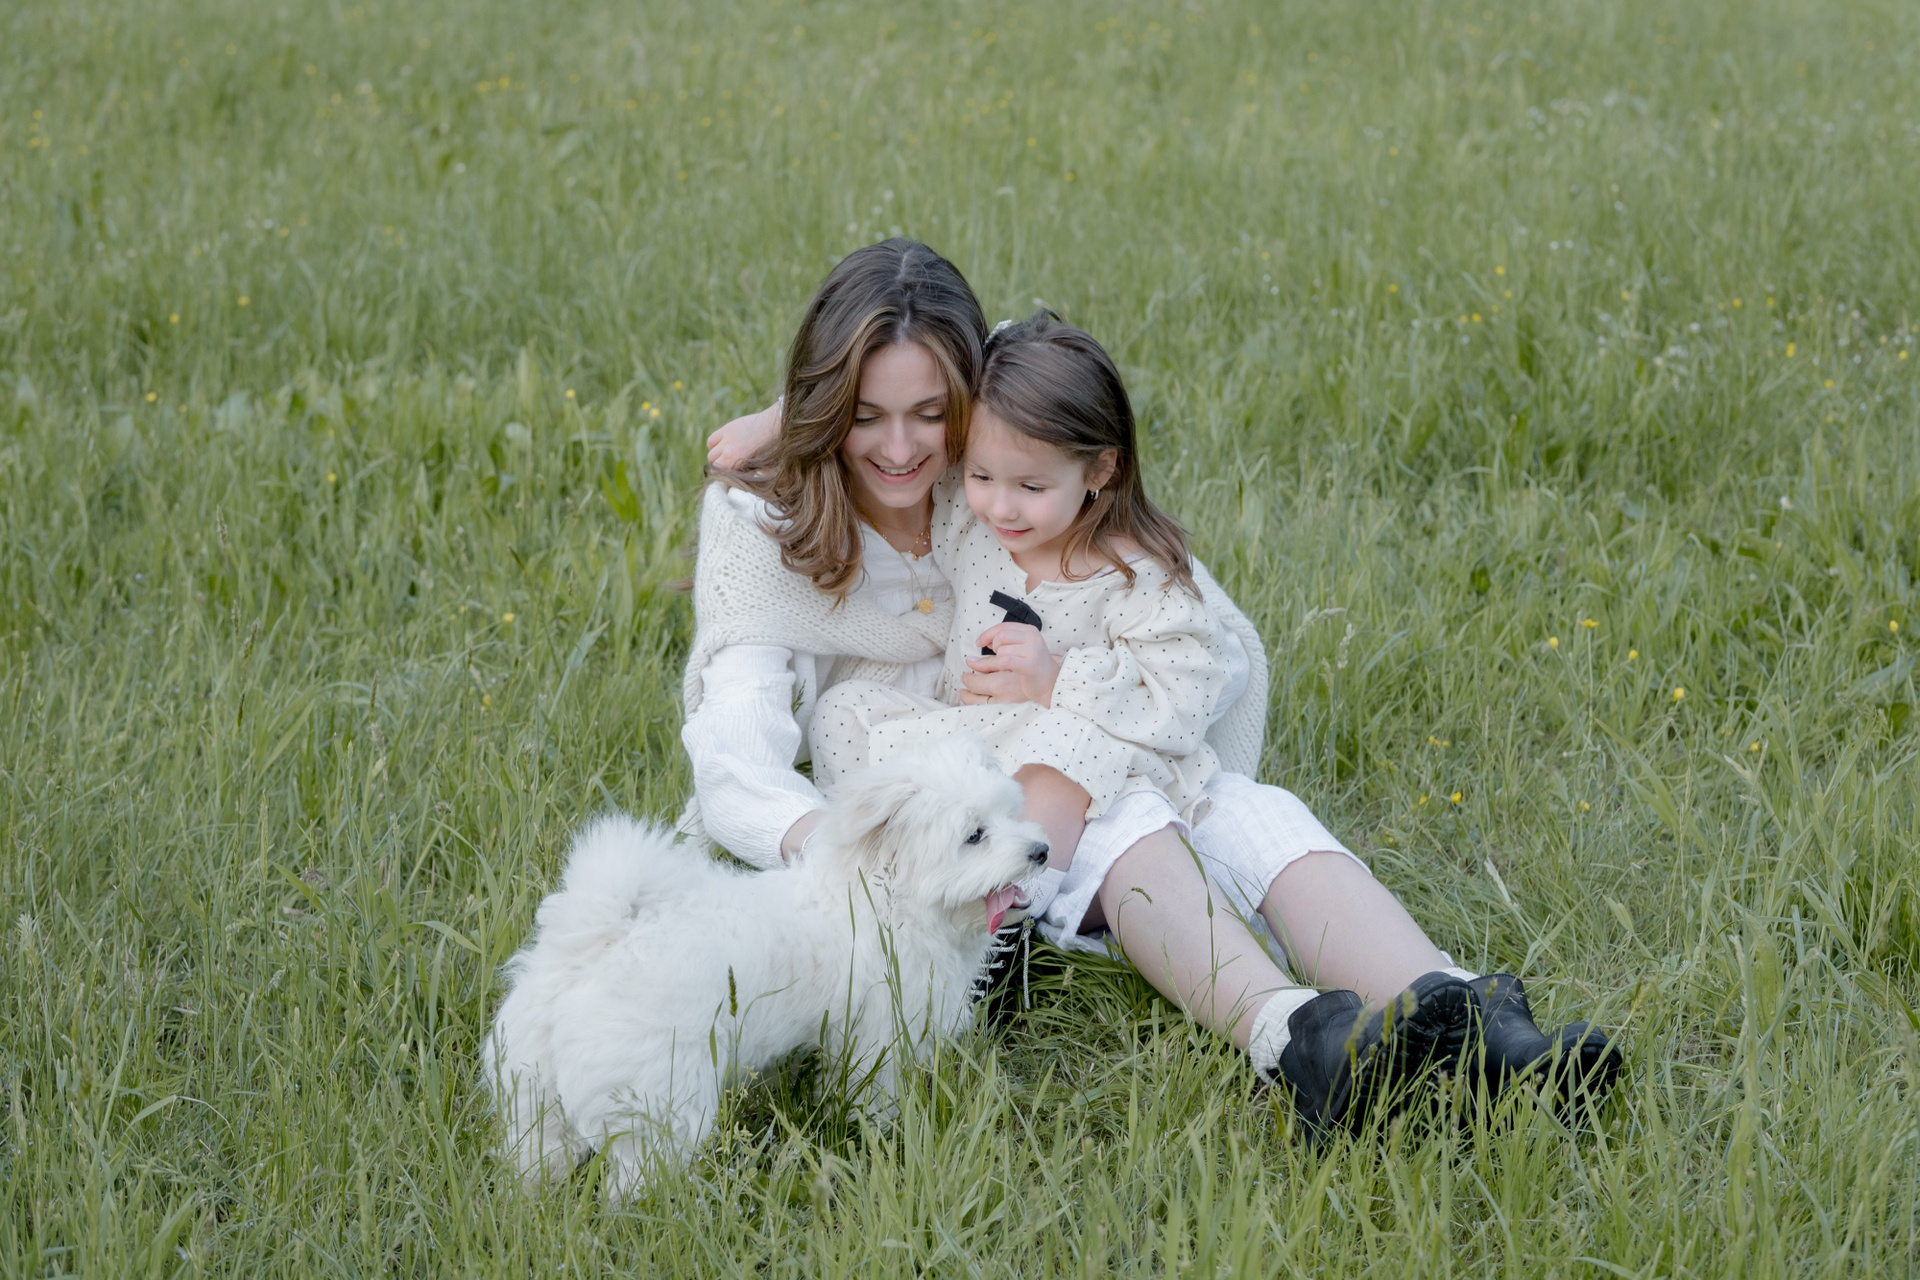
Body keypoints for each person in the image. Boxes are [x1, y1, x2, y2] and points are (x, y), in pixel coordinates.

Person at [690, 240, 1620, 1137]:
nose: (901, 449)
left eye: (931, 414)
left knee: (1254, 813)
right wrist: (856, 865)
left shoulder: (995, 468)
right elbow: (734, 762)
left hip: (1100, 729)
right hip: (970, 818)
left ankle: (1469, 1020)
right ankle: (1296, 1040)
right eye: (863, 414)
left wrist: (791, 408)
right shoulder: (764, 531)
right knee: (1130, 821)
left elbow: (1019, 351)